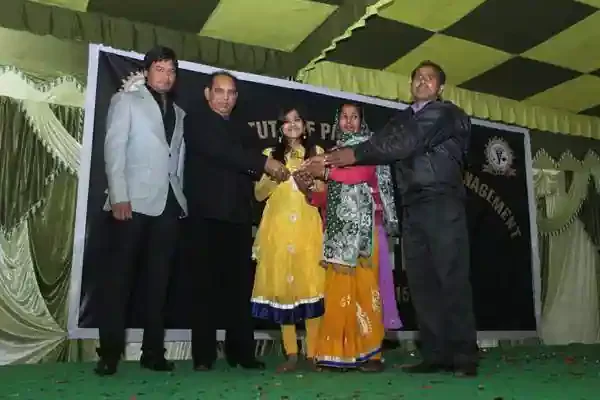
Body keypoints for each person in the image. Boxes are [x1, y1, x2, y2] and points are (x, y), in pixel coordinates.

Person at [309, 61, 478, 377]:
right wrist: (329, 158)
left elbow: (404, 142)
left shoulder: (445, 113)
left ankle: (464, 356)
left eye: (430, 78)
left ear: (440, 87)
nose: (422, 81)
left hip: (442, 202)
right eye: (418, 77)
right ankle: (435, 354)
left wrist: (349, 156)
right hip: (412, 205)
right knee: (421, 281)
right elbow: (377, 142)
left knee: (451, 277)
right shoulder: (401, 118)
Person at [183, 71, 288, 371]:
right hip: (205, 216)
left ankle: (241, 352)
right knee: (204, 287)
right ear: (208, 93)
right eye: (220, 91)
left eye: (231, 93)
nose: (225, 98)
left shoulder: (244, 128)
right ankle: (203, 356)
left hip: (238, 216)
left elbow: (250, 165)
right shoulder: (196, 121)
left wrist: (269, 167)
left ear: (237, 97)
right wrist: (264, 163)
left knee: (239, 288)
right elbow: (224, 152)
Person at [96, 46, 186, 376]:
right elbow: (113, 149)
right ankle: (109, 354)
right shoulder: (126, 101)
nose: (166, 75)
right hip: (131, 203)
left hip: (168, 206)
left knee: (159, 284)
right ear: (147, 71)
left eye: (171, 70)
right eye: (160, 69)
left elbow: (177, 160)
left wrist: (181, 199)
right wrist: (119, 196)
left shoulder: (179, 113)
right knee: (118, 281)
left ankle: (153, 353)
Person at [302, 103, 401, 372]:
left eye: (354, 117)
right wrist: (309, 191)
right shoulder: (333, 153)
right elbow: (329, 196)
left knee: (366, 292)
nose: (349, 121)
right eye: (344, 117)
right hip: (338, 235)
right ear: (338, 121)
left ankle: (372, 355)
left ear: (361, 122)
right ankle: (338, 354)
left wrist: (324, 171)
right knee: (338, 293)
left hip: (364, 234)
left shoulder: (368, 148)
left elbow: (360, 174)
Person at [250, 105, 326, 372]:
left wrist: (311, 185)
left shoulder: (316, 153)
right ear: (280, 127)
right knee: (284, 289)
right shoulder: (269, 155)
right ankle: (291, 353)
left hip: (308, 228)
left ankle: (313, 353)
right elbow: (259, 194)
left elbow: (324, 190)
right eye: (286, 121)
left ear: (305, 125)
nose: (292, 125)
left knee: (311, 285)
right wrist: (274, 176)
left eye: (297, 120)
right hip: (278, 229)